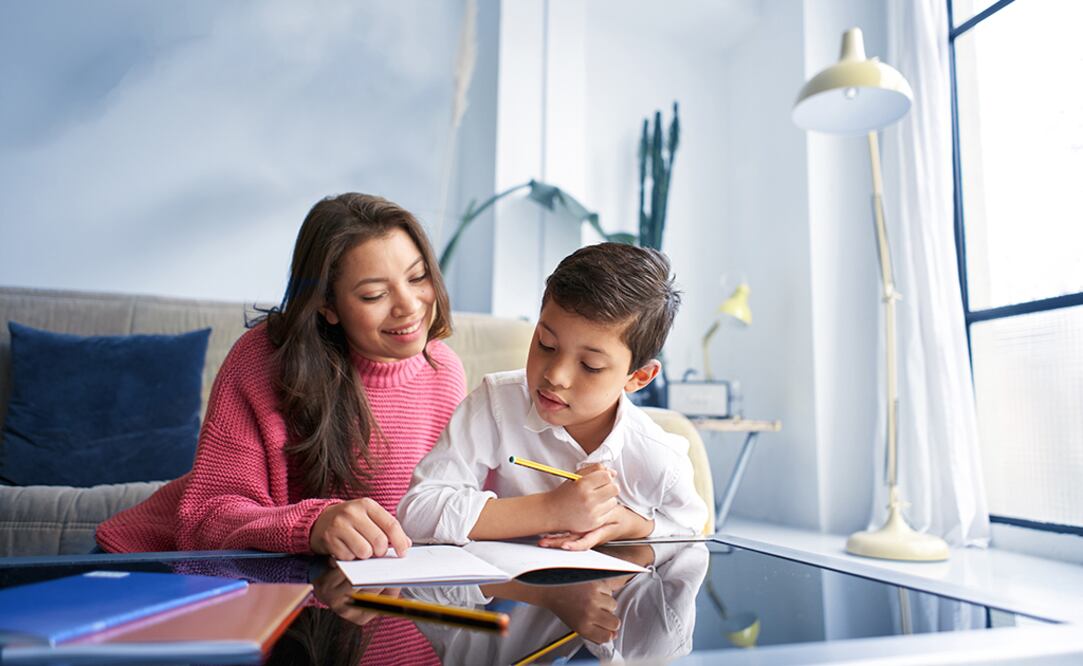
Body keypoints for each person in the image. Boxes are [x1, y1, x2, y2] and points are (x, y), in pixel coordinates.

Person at [96, 193, 465, 561]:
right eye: (374, 295)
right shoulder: (264, 359)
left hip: (328, 591)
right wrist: (313, 524)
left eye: (418, 277)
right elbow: (205, 516)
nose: (409, 306)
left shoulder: (445, 372)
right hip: (151, 566)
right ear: (328, 306)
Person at [398, 242, 707, 550]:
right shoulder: (496, 404)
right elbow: (418, 511)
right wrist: (550, 510)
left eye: (590, 365)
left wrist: (633, 524)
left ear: (637, 377)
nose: (555, 375)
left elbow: (693, 528)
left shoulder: (658, 457)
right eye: (546, 344)